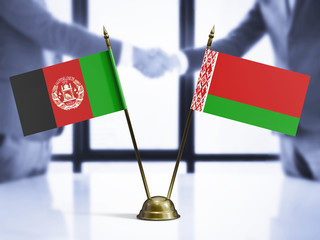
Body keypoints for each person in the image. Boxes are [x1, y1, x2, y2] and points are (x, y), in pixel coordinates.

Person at [0, 0, 173, 183]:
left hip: (35, 128)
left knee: (32, 204)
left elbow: (44, 48)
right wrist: (135, 56)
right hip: (16, 127)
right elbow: (53, 33)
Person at [183, 0, 320, 180]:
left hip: (314, 119)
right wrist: (180, 61)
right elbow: (236, 42)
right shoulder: (267, 2)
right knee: (294, 202)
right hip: (287, 123)